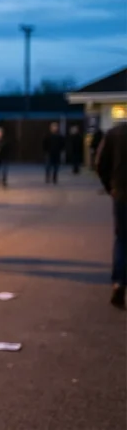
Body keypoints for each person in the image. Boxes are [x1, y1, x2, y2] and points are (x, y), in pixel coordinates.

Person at [95, 121, 126, 309]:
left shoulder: (115, 133)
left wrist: (110, 186)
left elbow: (100, 163)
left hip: (121, 192)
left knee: (122, 238)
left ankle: (119, 282)